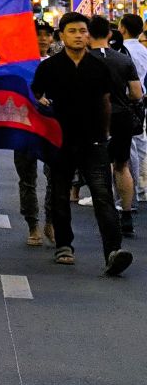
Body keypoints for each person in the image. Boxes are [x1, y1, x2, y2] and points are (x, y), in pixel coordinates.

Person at [32, 13, 132, 275]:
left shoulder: (99, 67)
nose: (78, 36)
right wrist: (41, 110)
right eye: (73, 31)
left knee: (103, 195)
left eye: (82, 31)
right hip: (60, 141)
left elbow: (106, 101)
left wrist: (105, 134)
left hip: (93, 141)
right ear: (62, 35)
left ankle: (113, 251)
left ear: (88, 35)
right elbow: (35, 94)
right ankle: (64, 245)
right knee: (60, 194)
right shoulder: (50, 67)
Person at [88, 15, 143, 238]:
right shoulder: (123, 60)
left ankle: (106, 214)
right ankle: (127, 214)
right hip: (121, 116)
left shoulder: (84, 60)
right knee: (122, 165)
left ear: (88, 34)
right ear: (110, 34)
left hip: (94, 118)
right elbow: (137, 93)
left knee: (98, 167)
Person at [15, 20, 58, 247]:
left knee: (55, 177)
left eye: (46, 34)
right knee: (27, 179)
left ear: (52, 38)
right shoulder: (20, 63)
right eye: (37, 34)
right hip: (25, 127)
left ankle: (51, 221)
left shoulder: (58, 63)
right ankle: (32, 224)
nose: (42, 38)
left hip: (51, 127)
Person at [117, 14, 147, 208]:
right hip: (141, 100)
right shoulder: (144, 50)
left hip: (125, 100)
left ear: (123, 29)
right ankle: (142, 190)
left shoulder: (122, 50)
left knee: (128, 151)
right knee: (141, 144)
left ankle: (129, 193)